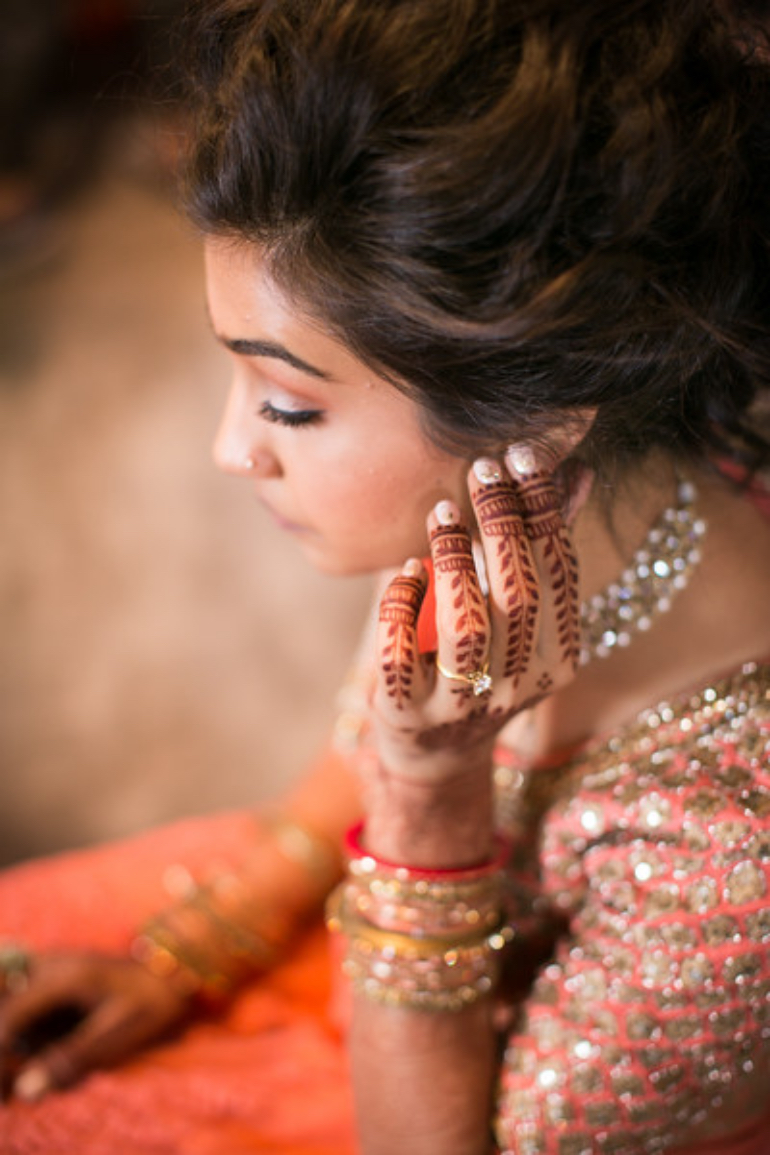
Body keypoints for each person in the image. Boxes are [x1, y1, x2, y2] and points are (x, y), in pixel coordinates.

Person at [1, 1, 770, 1152]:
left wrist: (427, 799)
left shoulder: (728, 871)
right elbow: (363, 737)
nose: (230, 450)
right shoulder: (511, 499)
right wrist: (203, 944)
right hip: (369, 899)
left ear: (546, 420)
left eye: (290, 405)